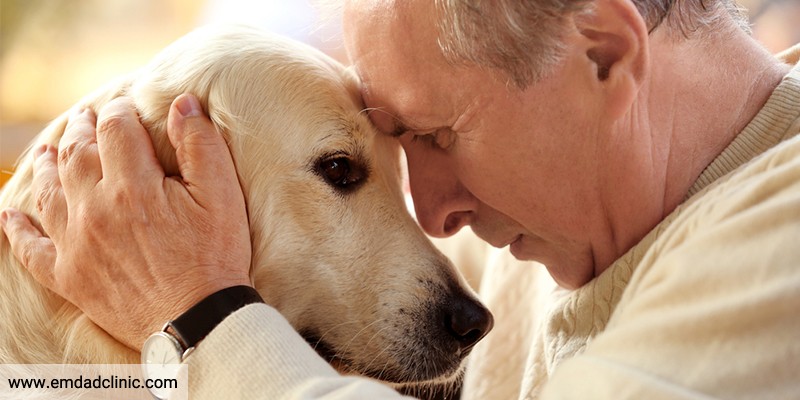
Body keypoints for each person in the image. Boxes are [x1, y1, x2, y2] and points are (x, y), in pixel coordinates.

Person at [2, 0, 799, 398]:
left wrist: (198, 316)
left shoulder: (780, 243)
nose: (437, 213)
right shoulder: (550, 234)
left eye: (440, 135)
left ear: (600, 54)